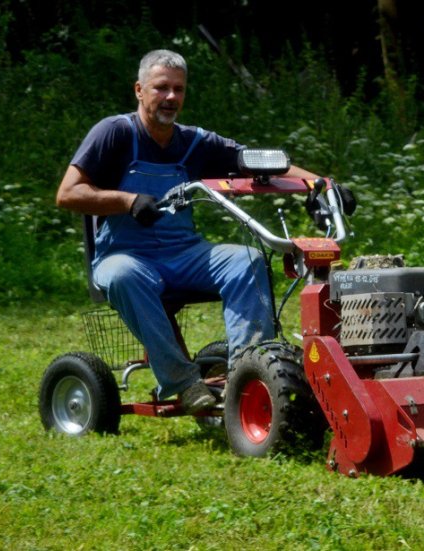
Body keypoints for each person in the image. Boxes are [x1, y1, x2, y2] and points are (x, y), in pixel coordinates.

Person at [56, 49, 320, 414]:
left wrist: (324, 184)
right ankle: (184, 383)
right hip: (126, 255)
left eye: (178, 90)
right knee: (124, 275)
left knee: (246, 260)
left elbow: (268, 166)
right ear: (139, 90)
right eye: (161, 87)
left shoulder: (195, 142)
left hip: (184, 253)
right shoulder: (114, 133)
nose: (171, 98)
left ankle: (251, 374)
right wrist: (127, 200)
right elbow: (68, 193)